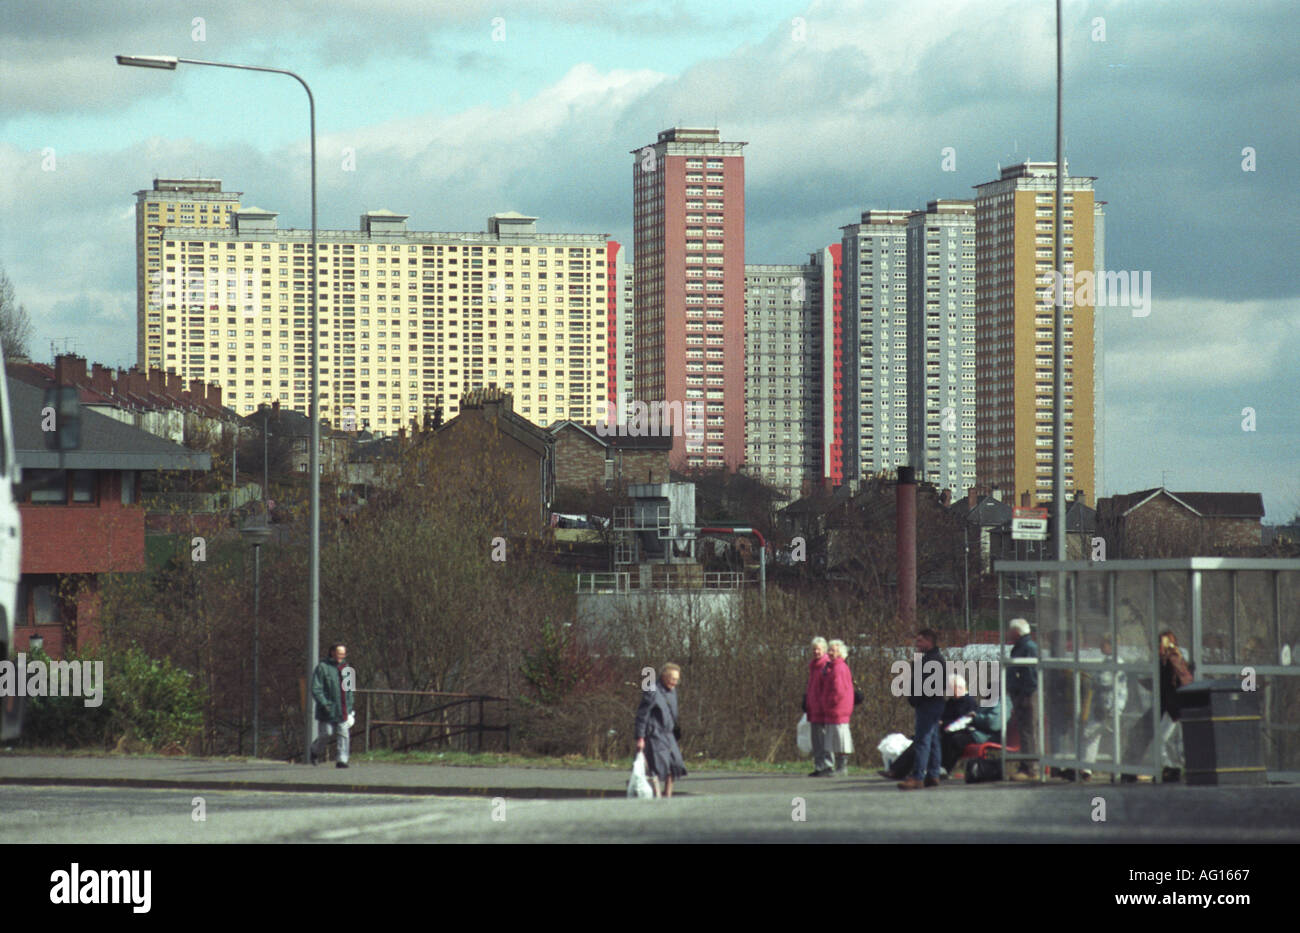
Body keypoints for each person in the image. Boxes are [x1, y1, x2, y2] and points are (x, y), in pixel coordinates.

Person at [1123, 630, 1193, 782]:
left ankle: (1169, 769)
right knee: (1160, 738)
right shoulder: (1165, 661)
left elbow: (1172, 682)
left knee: (1161, 740)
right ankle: (1168, 768)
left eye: (1159, 644)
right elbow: (1163, 683)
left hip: (1173, 707)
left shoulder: (1172, 659)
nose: (1156, 648)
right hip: (1169, 706)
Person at [899, 629, 946, 790]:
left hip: (928, 705)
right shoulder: (933, 659)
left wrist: (915, 698)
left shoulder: (932, 661)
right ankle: (933, 774)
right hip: (934, 704)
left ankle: (918, 776)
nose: (917, 644)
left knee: (922, 739)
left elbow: (927, 686)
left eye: (920, 641)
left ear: (929, 642)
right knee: (933, 740)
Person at [635, 663, 687, 797]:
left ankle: (667, 796)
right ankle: (657, 797)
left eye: (677, 679)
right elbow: (642, 714)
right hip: (655, 735)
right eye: (672, 679)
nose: (675, 682)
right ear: (664, 677)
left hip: (669, 735)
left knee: (675, 766)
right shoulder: (651, 690)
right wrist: (640, 737)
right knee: (659, 767)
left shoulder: (672, 691)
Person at [1080, 635, 1127, 781]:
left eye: (1103, 643)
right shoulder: (1111, 660)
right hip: (1110, 705)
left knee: (1091, 734)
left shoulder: (1114, 661)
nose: (1101, 646)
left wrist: (1091, 677)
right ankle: (1090, 768)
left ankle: (1088, 768)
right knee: (1100, 735)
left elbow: (1104, 681)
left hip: (1107, 705)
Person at [310, 643, 355, 768]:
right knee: (326, 734)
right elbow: (316, 689)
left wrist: (350, 707)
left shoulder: (347, 669)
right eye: (339, 653)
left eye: (343, 654)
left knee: (343, 733)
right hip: (327, 710)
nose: (341, 656)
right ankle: (314, 750)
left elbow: (350, 690)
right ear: (332, 653)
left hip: (344, 710)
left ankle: (342, 760)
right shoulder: (322, 668)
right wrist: (325, 704)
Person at [1007, 618, 1039, 781]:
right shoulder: (1022, 647)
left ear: (1017, 632)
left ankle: (1031, 768)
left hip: (1026, 695)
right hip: (1020, 695)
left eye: (1010, 630)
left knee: (1028, 731)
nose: (1008, 633)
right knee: (1025, 731)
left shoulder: (1028, 648)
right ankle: (1026, 766)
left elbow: (1032, 674)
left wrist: (1026, 695)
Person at [804, 637, 835, 777]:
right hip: (813, 707)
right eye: (814, 649)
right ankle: (819, 765)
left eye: (819, 649)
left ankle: (828, 765)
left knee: (825, 737)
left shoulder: (826, 666)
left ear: (824, 650)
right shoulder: (813, 666)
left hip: (823, 708)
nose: (816, 651)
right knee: (816, 740)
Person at [826, 640, 856, 775]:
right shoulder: (835, 667)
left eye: (833, 650)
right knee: (837, 737)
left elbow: (838, 689)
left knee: (840, 737)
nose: (830, 653)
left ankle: (842, 767)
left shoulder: (838, 668)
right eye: (830, 650)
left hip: (839, 708)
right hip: (838, 707)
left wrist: (829, 701)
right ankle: (839, 766)